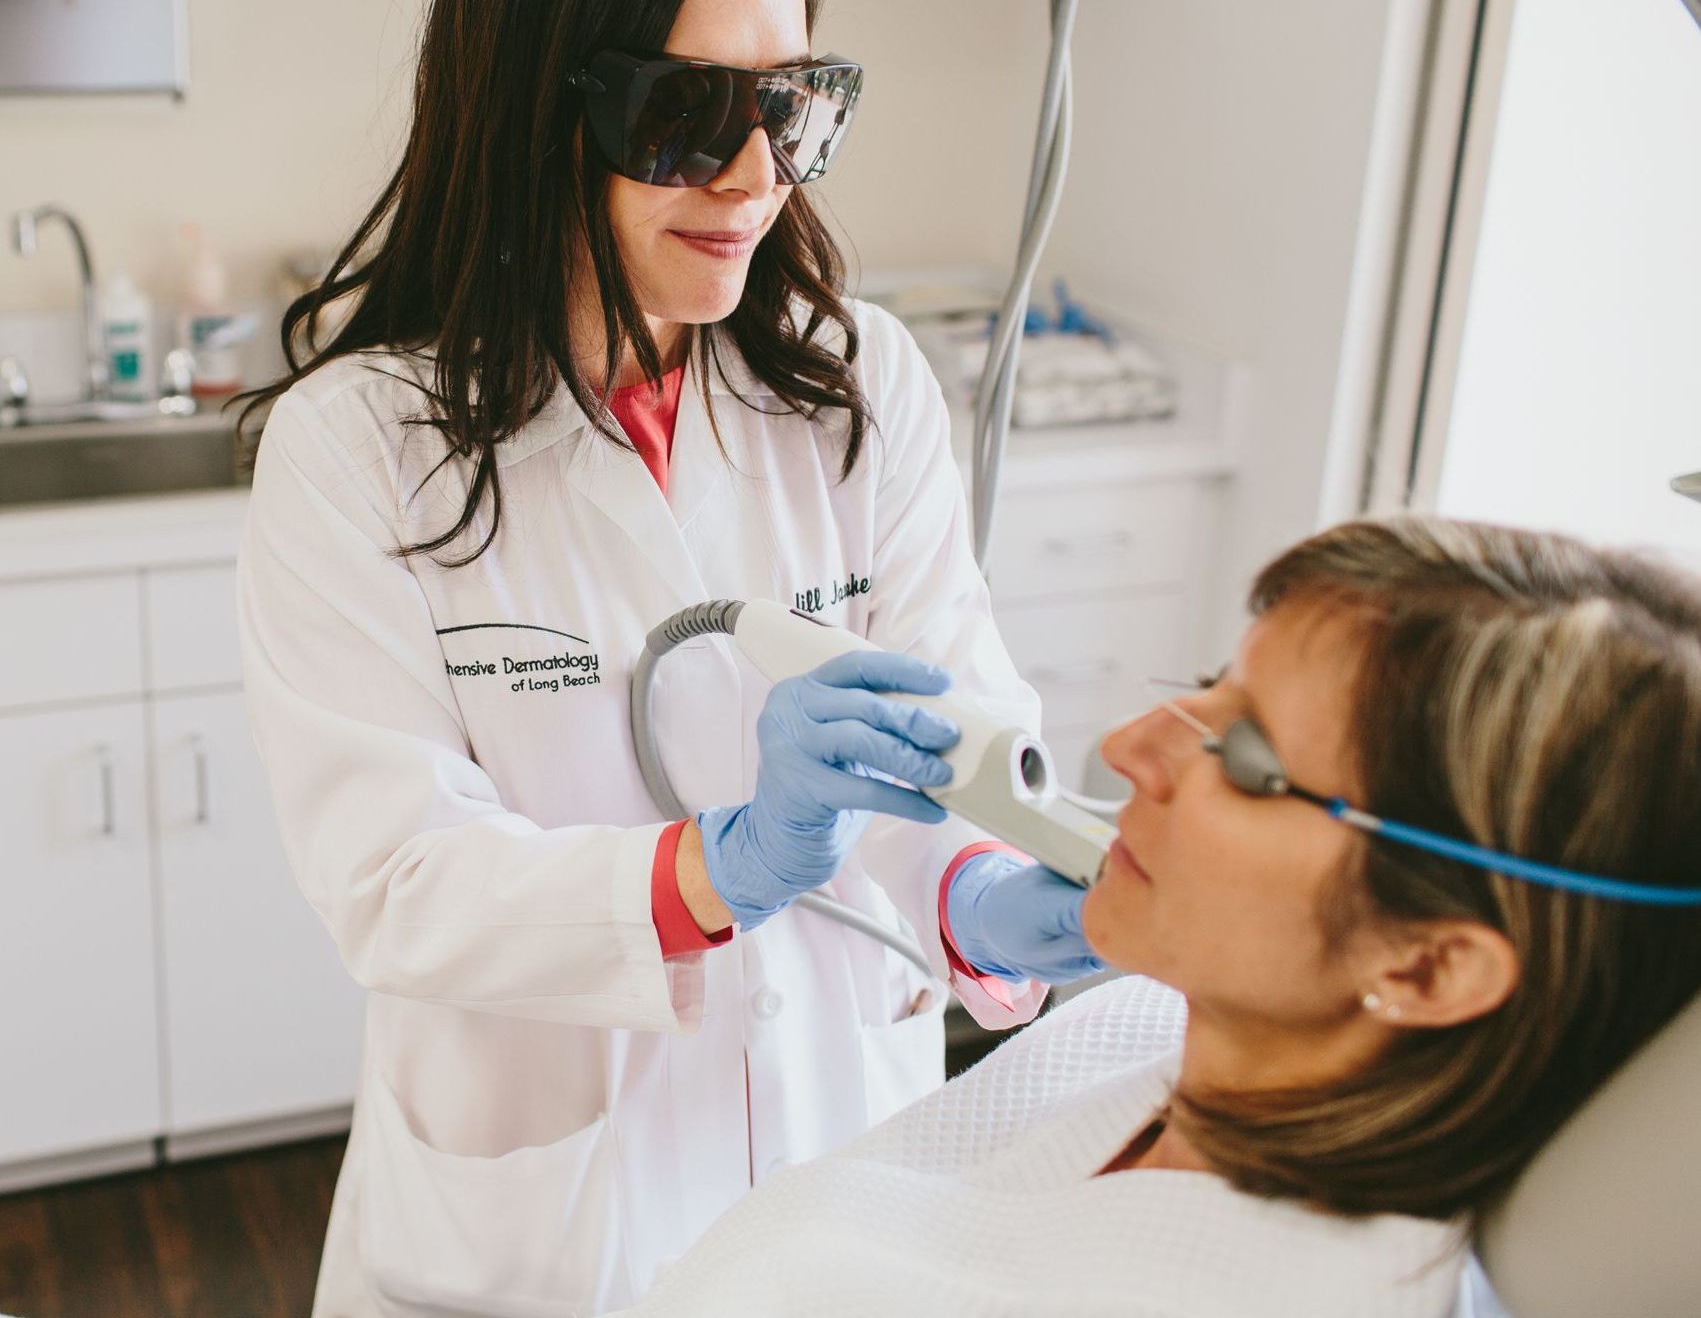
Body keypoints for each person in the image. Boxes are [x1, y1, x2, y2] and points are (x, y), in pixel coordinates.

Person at [236, 0, 1100, 1318]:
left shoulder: (856, 388)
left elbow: (951, 734)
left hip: (848, 1174)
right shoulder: (357, 449)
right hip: (549, 1230)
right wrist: (722, 863)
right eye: (686, 114)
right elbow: (396, 881)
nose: (756, 173)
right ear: (530, 110)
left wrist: (985, 891)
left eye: (791, 105)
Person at [613, 517, 1701, 1317]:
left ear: (1428, 967)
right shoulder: (1143, 1032)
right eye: (1204, 688)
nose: (1133, 742)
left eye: (1244, 756)